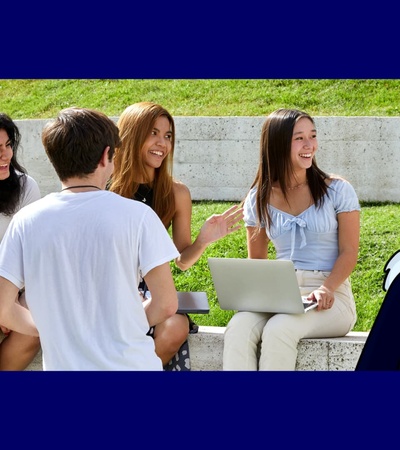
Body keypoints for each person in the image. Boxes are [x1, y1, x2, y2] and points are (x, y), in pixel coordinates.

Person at [0, 107, 180, 371]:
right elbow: (166, 305)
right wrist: (123, 324)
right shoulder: (139, 216)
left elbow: (3, 308)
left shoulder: (25, 222)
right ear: (107, 156)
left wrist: (52, 330)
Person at [108, 101, 243, 370]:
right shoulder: (105, 187)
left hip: (153, 288)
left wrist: (203, 240)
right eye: (153, 133)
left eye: (168, 135)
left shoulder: (177, 193)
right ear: (132, 135)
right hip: (109, 284)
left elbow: (182, 260)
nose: (162, 143)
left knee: (177, 325)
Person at [223, 108, 360, 371]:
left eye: (313, 136)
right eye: (299, 138)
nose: (310, 145)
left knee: (279, 328)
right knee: (238, 326)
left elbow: (349, 251)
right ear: (277, 143)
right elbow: (258, 264)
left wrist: (327, 288)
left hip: (331, 296)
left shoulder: (338, 190)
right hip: (281, 293)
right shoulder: (258, 198)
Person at [0, 112, 41, 370]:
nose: (5, 155)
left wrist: (8, 298)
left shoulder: (26, 188)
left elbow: (32, 252)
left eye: (7, 146)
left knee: (33, 325)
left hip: (19, 286)